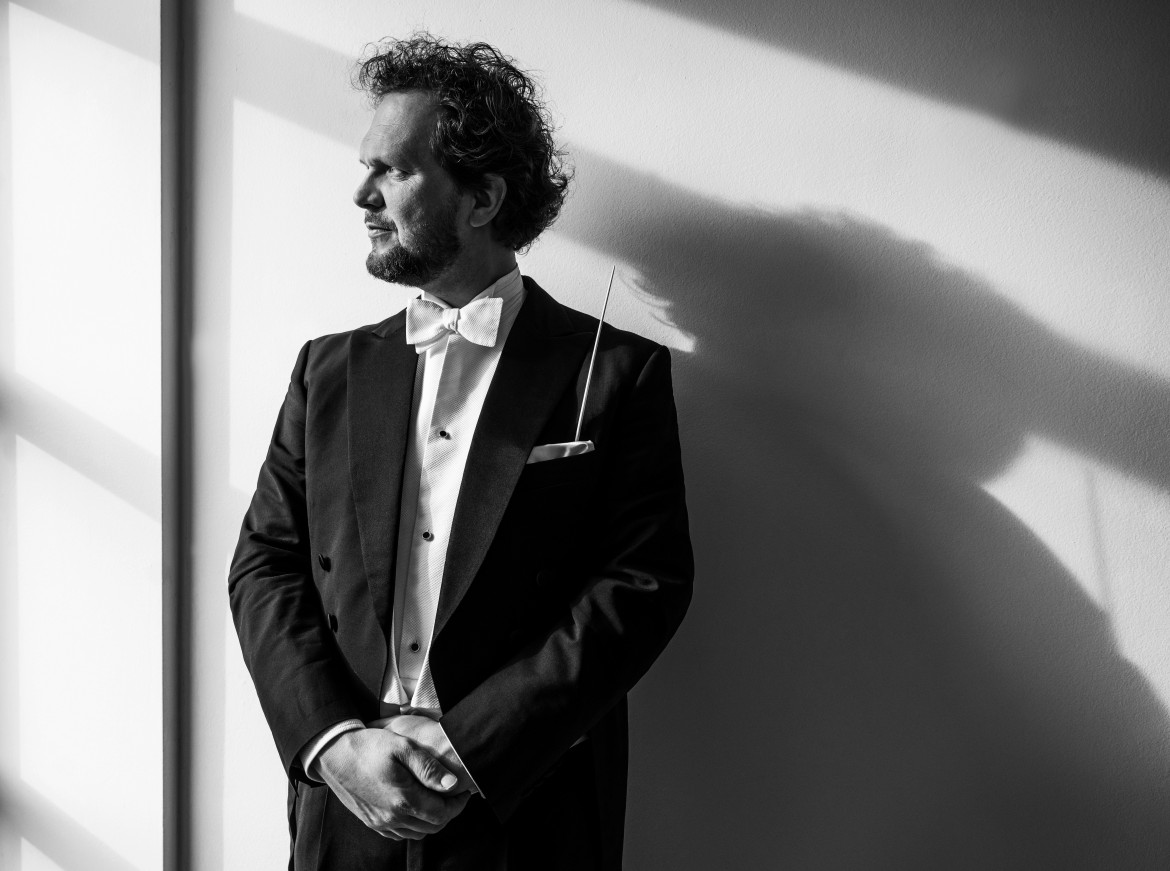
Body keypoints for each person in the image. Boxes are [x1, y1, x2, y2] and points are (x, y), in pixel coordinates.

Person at [229, 33, 693, 870]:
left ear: (482, 198)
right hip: (345, 802)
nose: (362, 194)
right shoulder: (325, 371)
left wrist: (475, 747)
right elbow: (264, 563)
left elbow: (641, 583)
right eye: (366, 166)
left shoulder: (616, 373)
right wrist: (333, 741)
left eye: (394, 170)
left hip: (527, 803)